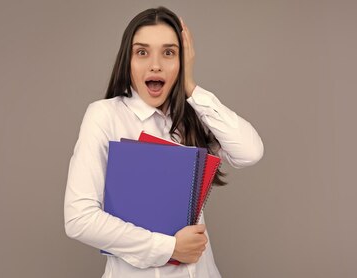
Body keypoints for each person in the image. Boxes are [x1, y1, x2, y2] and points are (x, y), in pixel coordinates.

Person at [63, 7, 263, 278]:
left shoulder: (193, 116)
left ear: (183, 60)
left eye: (169, 52)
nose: (155, 65)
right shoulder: (105, 115)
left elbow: (250, 151)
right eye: (142, 52)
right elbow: (79, 219)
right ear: (128, 61)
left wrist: (190, 86)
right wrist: (169, 247)